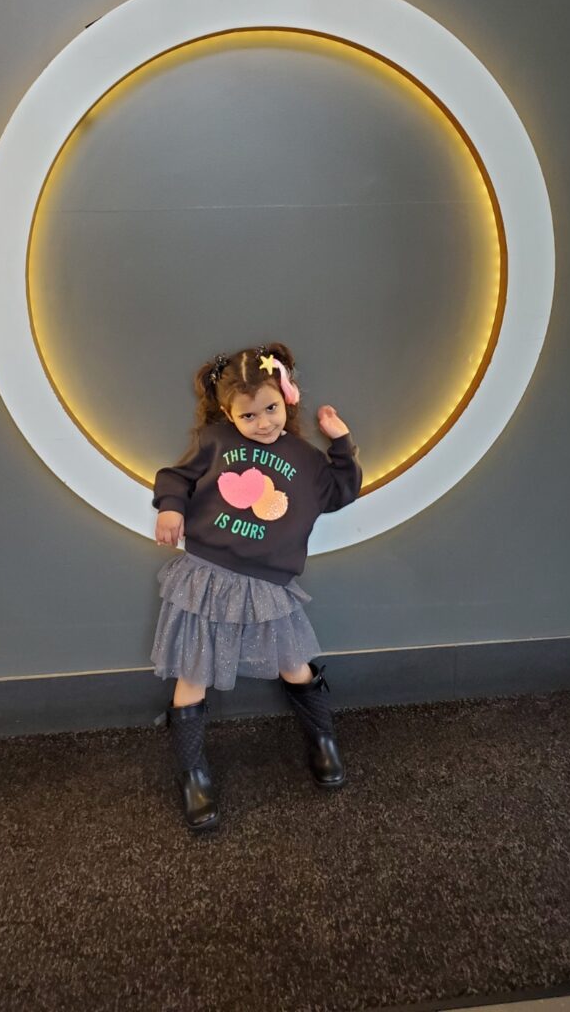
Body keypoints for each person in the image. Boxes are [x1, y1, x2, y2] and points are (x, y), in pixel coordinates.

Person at [151, 343, 362, 831]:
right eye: (249, 415)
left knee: (295, 666)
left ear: (287, 398)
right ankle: (192, 773)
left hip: (267, 583)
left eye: (271, 408)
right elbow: (175, 478)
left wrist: (340, 442)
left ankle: (323, 740)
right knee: (193, 673)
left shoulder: (305, 458)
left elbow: (340, 492)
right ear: (228, 413)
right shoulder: (214, 441)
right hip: (208, 576)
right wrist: (170, 507)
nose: (263, 422)